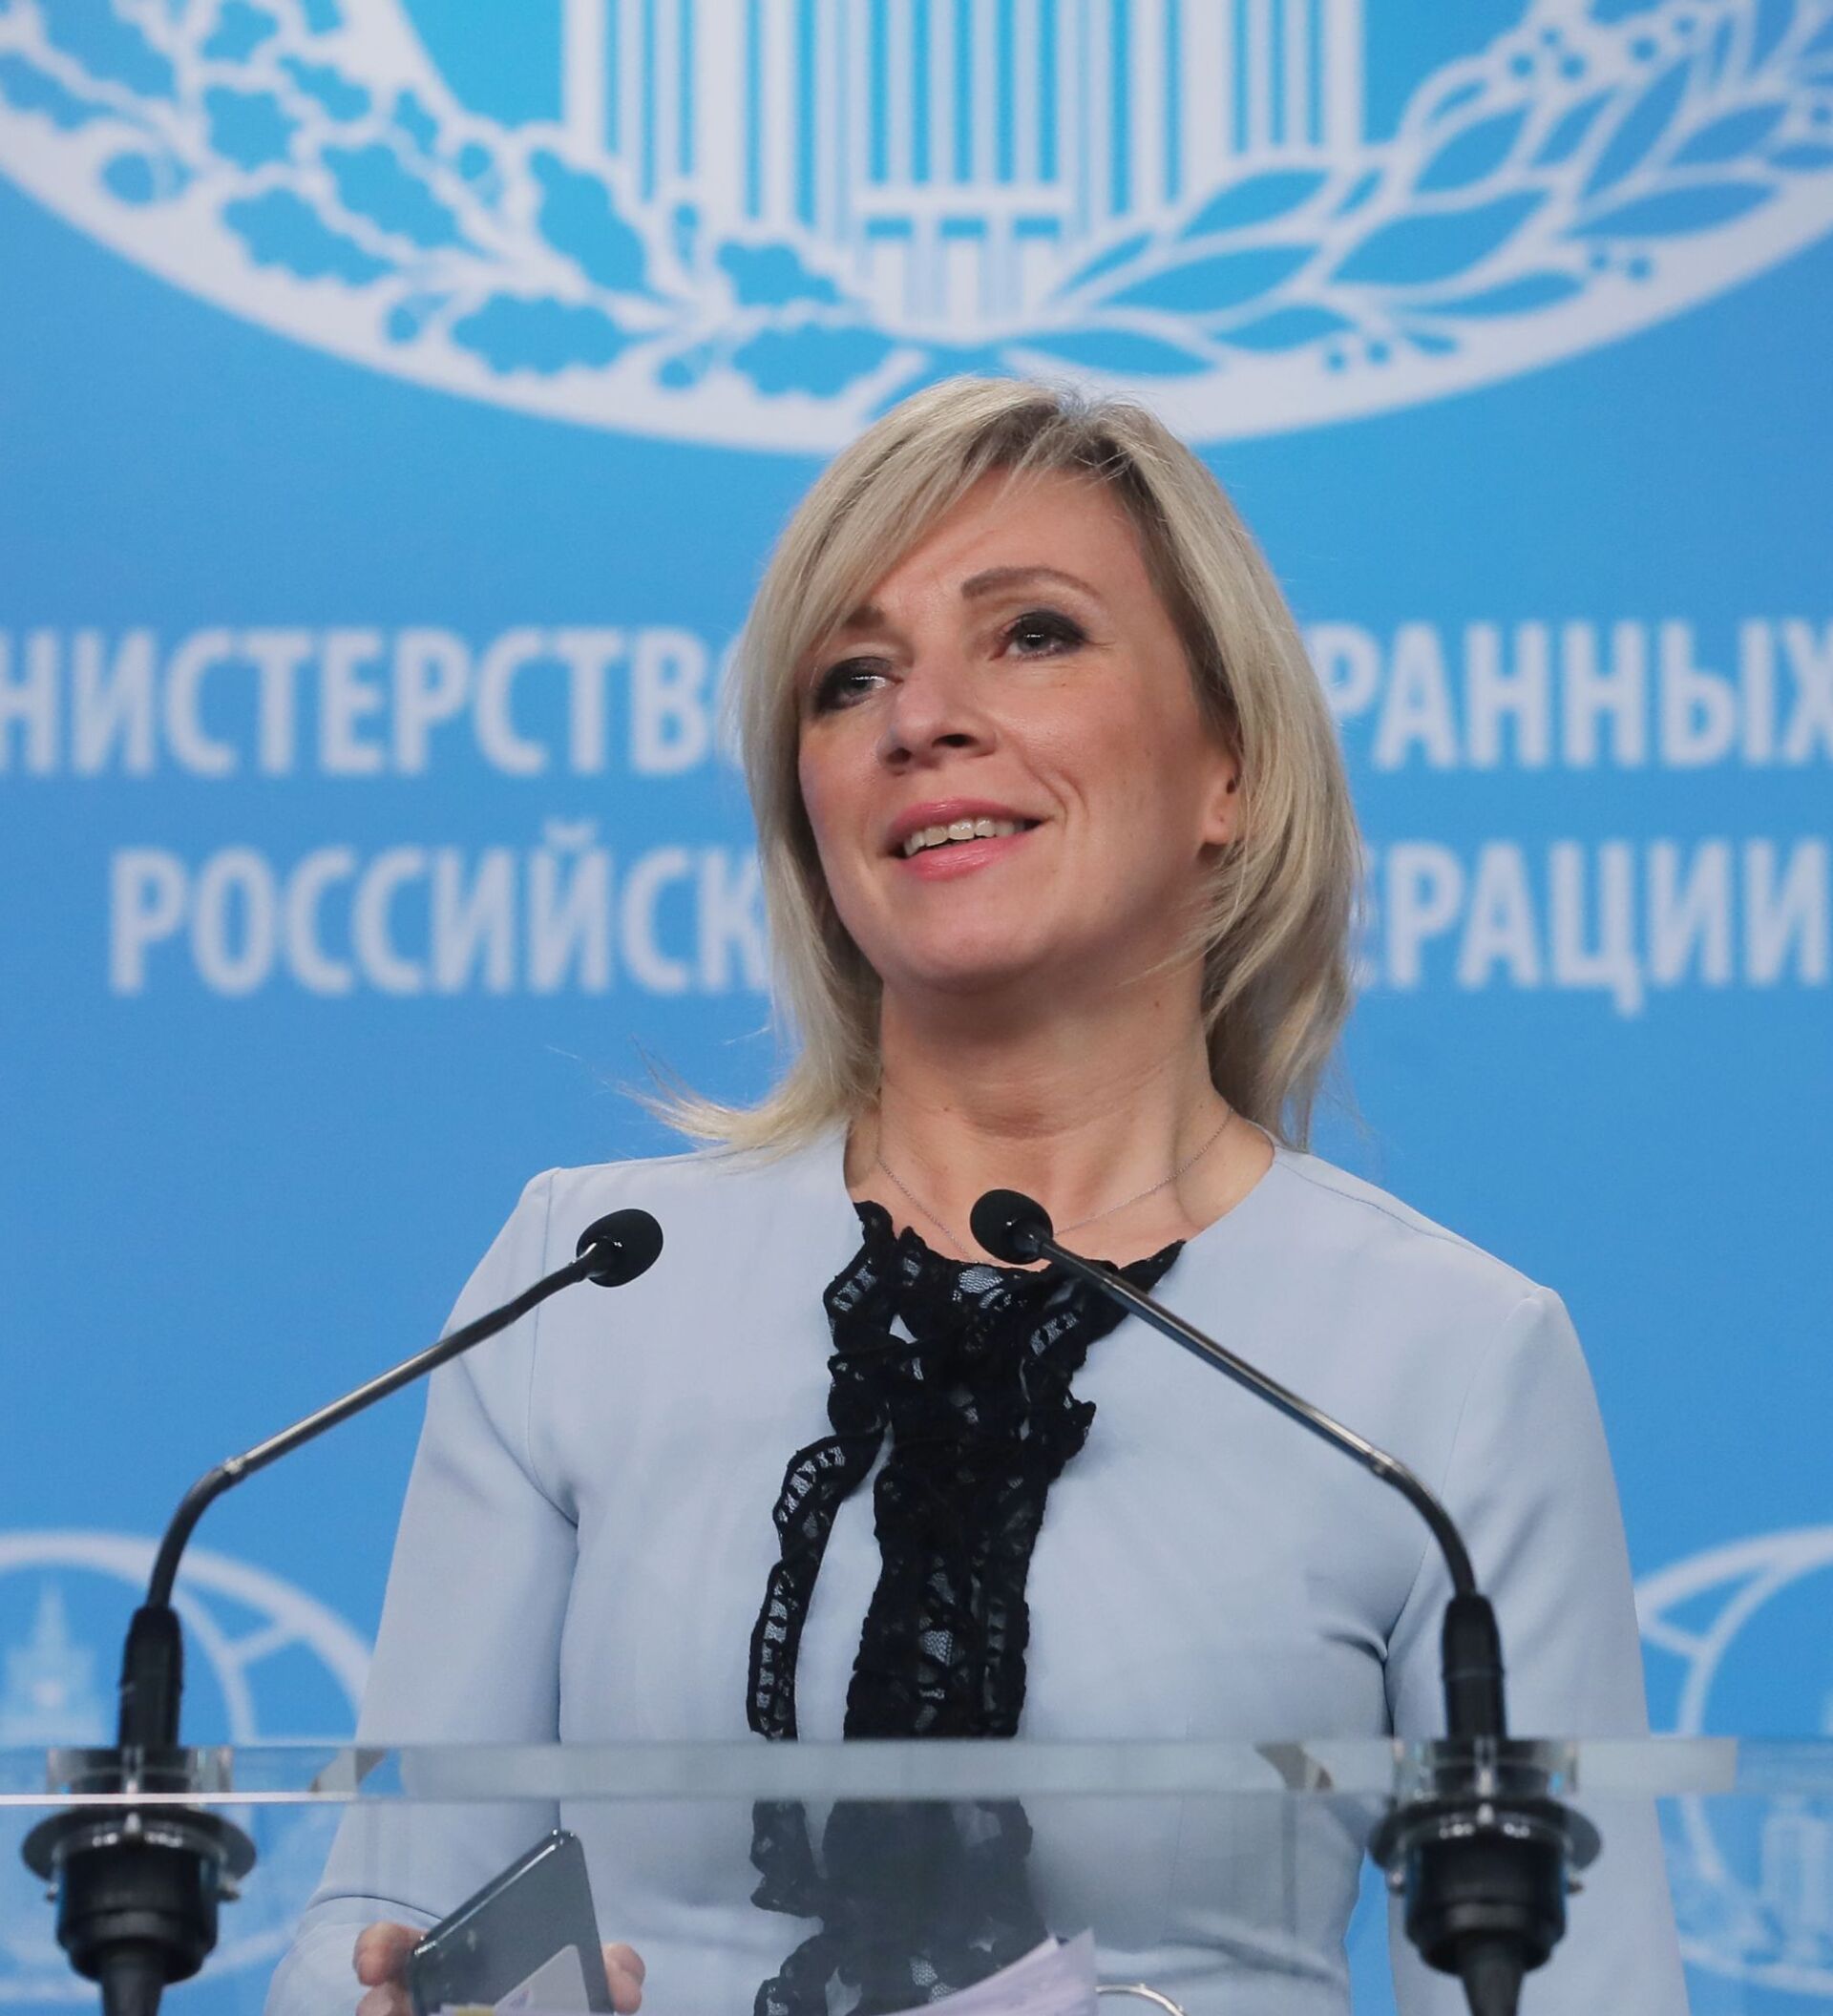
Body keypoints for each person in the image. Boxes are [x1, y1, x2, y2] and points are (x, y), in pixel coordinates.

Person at [268, 379, 1684, 2016]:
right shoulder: (590, 1281)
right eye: (851, 678)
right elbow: (388, 1909)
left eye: (1033, 636)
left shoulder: (1449, 1358)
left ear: (1228, 767)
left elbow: (1578, 1993)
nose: (922, 717)